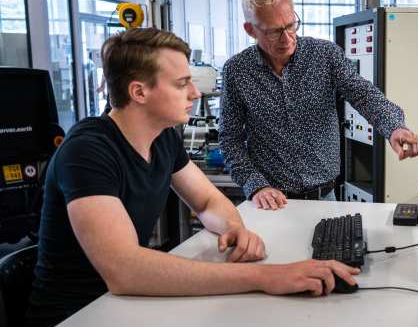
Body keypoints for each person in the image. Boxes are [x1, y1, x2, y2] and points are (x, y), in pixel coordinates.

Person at [26, 28, 359, 327]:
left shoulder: (163, 137)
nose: (195, 94)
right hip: (80, 313)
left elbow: (207, 200)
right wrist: (264, 276)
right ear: (140, 92)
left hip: (129, 305)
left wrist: (232, 227)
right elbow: (124, 271)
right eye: (182, 83)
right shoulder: (87, 151)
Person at [219, 0, 418, 211]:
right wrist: (256, 185)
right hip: (270, 202)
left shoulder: (324, 55)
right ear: (251, 30)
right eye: (274, 31)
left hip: (325, 198)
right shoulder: (237, 70)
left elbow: (364, 94)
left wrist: (394, 127)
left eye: (291, 25)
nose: (287, 38)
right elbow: (230, 139)